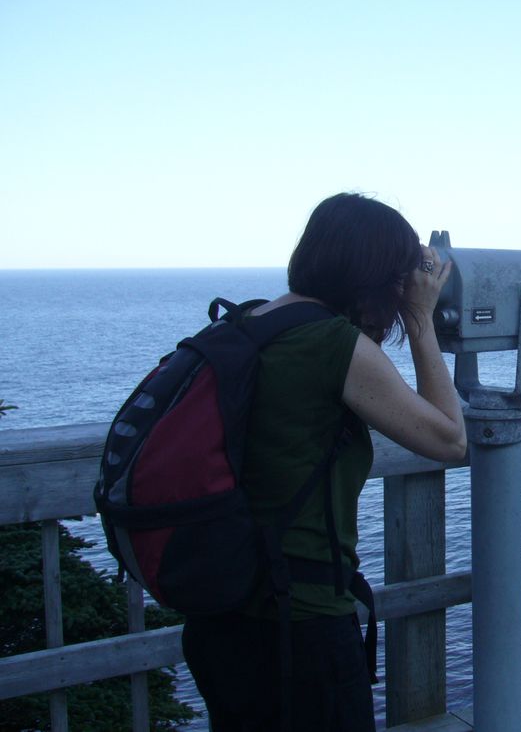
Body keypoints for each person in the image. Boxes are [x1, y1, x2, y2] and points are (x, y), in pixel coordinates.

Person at [181, 193, 467, 731]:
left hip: (222, 618)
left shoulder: (251, 322)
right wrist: (422, 321)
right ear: (376, 278)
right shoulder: (330, 344)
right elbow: (451, 441)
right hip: (300, 626)